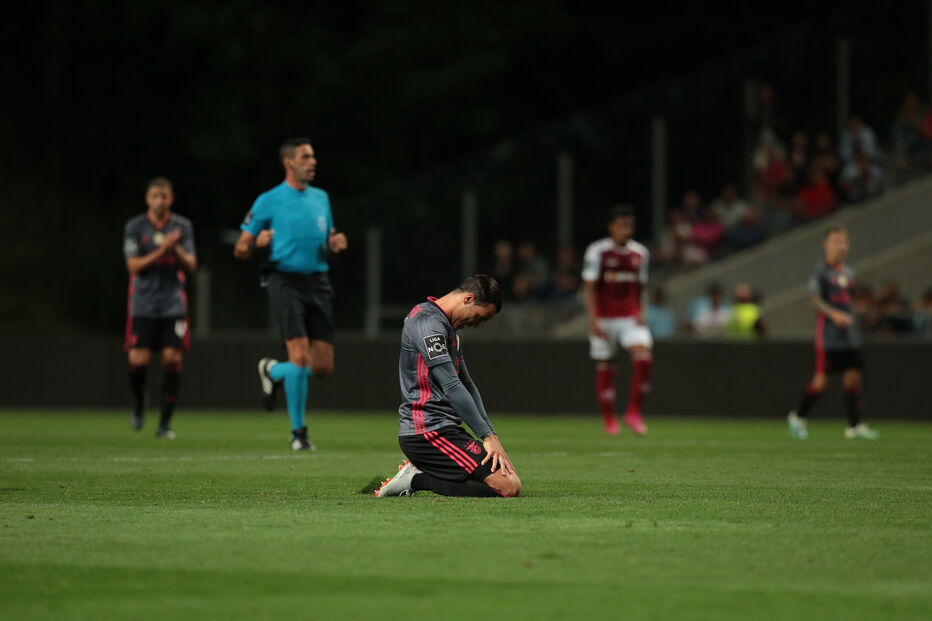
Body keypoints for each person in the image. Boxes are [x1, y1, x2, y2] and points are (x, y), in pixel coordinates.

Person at [234, 137, 348, 451]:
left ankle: (273, 371)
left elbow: (325, 243)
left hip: (318, 281)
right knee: (299, 356)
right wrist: (257, 243)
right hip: (283, 280)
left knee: (322, 366)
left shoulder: (321, 197)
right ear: (289, 163)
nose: (313, 162)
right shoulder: (268, 200)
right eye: (305, 157)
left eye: (313, 156)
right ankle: (299, 434)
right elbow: (240, 248)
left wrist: (334, 245)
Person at [374, 275, 522, 498]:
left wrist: (491, 435)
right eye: (480, 317)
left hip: (446, 429)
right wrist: (486, 437)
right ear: (468, 299)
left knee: (511, 483)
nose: (476, 324)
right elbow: (452, 386)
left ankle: (424, 473)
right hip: (426, 432)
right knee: (507, 487)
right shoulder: (427, 323)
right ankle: (415, 478)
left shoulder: (451, 328)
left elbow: (467, 384)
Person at [787, 227, 878, 440]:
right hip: (829, 336)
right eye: (836, 241)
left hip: (850, 336)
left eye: (844, 241)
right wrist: (834, 315)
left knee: (853, 379)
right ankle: (798, 417)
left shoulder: (849, 273)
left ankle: (854, 426)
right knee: (821, 381)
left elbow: (851, 303)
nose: (841, 246)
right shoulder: (820, 272)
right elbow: (814, 300)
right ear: (826, 244)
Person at [123, 177, 197, 439]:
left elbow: (191, 265)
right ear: (147, 199)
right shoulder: (135, 227)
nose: (160, 201)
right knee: (138, 360)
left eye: (164, 196)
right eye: (155, 196)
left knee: (172, 359)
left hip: (173, 305)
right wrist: (160, 250)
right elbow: (132, 266)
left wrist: (173, 247)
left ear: (171, 199)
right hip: (142, 304)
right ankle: (139, 400)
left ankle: (165, 423)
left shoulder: (182, 226)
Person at [582, 206, 653, 436]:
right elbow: (589, 287)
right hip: (603, 319)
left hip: (629, 317)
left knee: (643, 357)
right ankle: (610, 419)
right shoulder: (597, 251)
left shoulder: (640, 253)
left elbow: (641, 286)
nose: (626, 230)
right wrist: (592, 319)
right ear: (611, 227)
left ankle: (633, 411)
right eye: (622, 225)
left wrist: (641, 310)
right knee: (606, 366)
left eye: (630, 225)